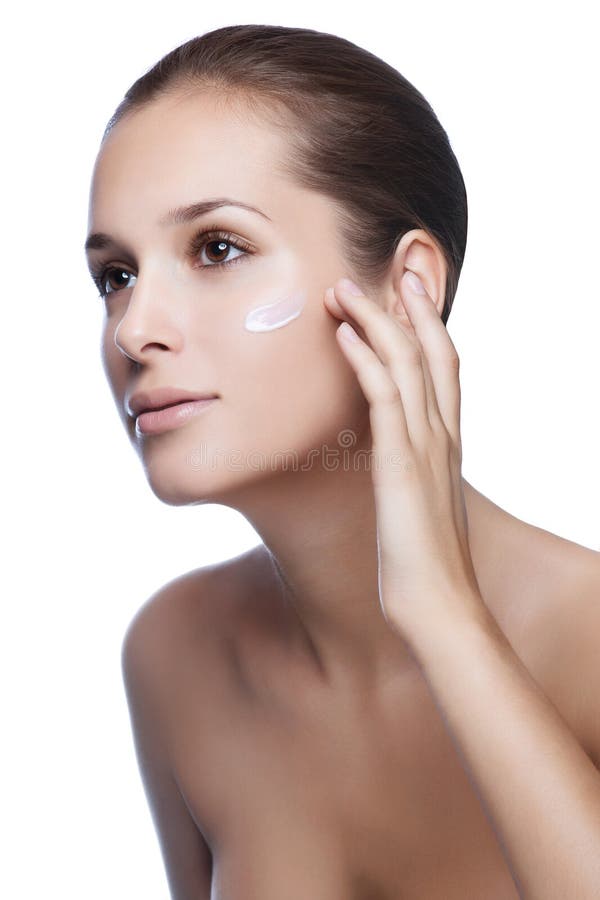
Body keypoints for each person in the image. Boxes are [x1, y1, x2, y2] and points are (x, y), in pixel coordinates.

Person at [84, 24, 600, 900]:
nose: (134, 330)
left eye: (217, 248)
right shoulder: (177, 659)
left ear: (407, 291)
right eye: (116, 275)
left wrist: (443, 614)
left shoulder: (588, 641)